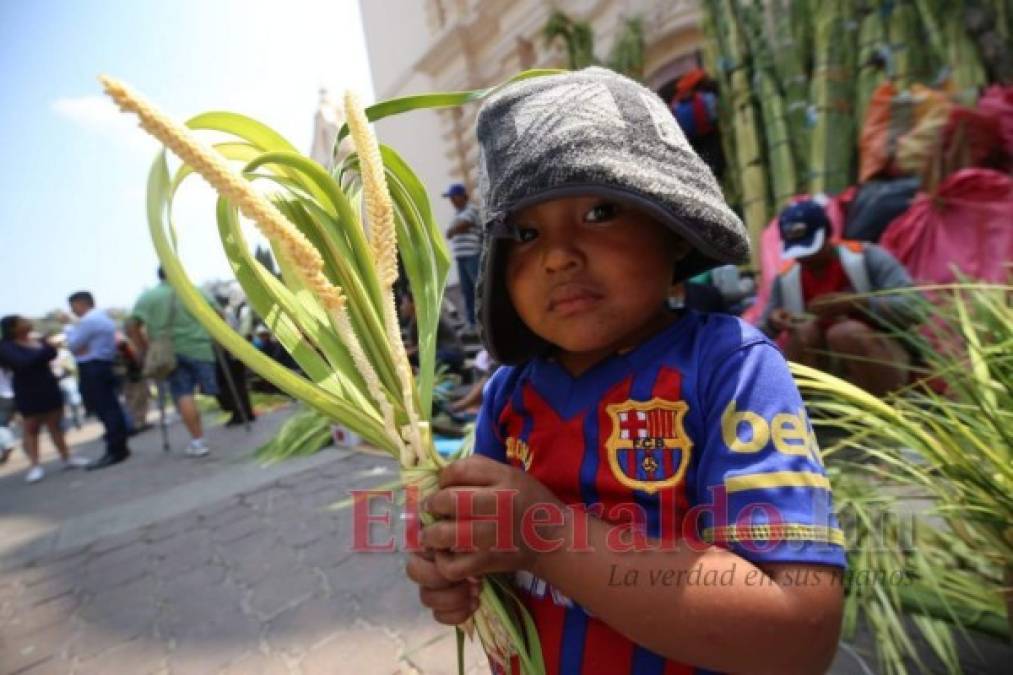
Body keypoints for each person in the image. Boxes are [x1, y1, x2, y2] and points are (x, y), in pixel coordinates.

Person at [405, 68, 845, 674]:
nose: (558, 256)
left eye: (601, 210)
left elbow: (799, 632)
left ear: (675, 227)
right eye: (526, 232)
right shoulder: (509, 398)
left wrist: (548, 538)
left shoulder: (727, 368)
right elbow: (495, 558)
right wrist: (459, 568)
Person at [760, 199, 918, 396]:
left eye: (811, 249)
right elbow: (760, 332)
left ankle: (884, 405)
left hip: (884, 359)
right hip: (826, 368)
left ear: (827, 234)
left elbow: (915, 307)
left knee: (845, 333)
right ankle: (809, 411)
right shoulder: (786, 279)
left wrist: (858, 303)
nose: (805, 258)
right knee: (804, 332)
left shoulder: (866, 258)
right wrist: (774, 321)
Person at [128, 268, 219, 456]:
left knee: (183, 394)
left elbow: (131, 326)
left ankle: (198, 440)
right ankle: (238, 414)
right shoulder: (194, 291)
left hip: (168, 354)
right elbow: (219, 315)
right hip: (200, 347)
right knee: (212, 388)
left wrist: (144, 348)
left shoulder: (149, 297)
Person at [0, 316, 89, 482]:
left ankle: (66, 457)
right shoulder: (6, 347)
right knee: (32, 427)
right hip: (27, 390)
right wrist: (43, 351)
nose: (27, 322)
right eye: (21, 322)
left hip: (47, 386)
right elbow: (22, 363)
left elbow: (51, 353)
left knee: (55, 425)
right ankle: (35, 465)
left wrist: (43, 351)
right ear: (12, 328)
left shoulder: (37, 341)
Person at [66, 291, 133, 470]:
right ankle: (119, 446)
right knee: (111, 407)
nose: (72, 310)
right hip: (102, 364)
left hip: (93, 367)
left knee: (106, 409)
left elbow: (73, 345)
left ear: (80, 303)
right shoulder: (102, 317)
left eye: (72, 306)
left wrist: (68, 329)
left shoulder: (88, 321)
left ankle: (116, 448)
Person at [670, 67, 725, 180]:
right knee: (713, 152)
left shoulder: (679, 101)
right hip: (705, 130)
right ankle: (717, 172)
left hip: (689, 134)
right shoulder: (706, 98)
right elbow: (713, 114)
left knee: (700, 156)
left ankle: (706, 176)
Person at [442, 183, 482, 331]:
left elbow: (462, 226)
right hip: (461, 258)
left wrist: (454, 230)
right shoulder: (457, 214)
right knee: (467, 291)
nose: (451, 200)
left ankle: (484, 321)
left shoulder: (471, 209)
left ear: (462, 196)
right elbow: (450, 232)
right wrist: (453, 230)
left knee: (478, 289)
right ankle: (471, 323)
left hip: (472, 255)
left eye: (453, 197)